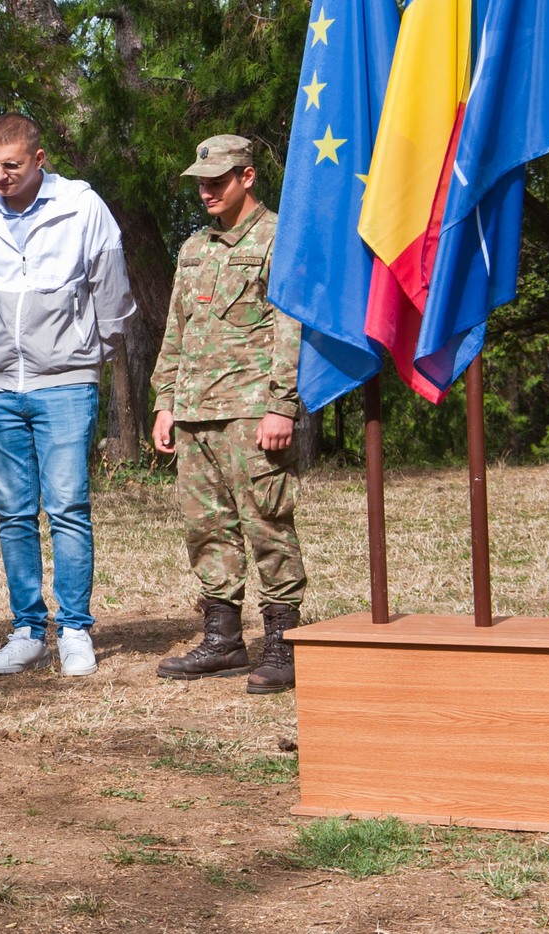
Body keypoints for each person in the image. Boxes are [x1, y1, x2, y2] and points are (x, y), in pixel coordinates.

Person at [0, 114, 133, 679]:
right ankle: (28, 631)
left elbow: (112, 292)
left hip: (65, 383)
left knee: (66, 508)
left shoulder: (82, 207)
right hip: (1, 388)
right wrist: (2, 356)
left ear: (39, 160)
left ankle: (75, 630)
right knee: (13, 514)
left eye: (11, 165)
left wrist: (85, 354)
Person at [151, 135, 306, 694]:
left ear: (248, 177)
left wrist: (281, 405)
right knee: (206, 528)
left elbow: (292, 329)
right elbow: (176, 329)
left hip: (251, 413)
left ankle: (284, 644)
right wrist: (165, 401)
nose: (207, 191)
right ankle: (223, 640)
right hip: (195, 413)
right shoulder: (195, 248)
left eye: (218, 180)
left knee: (267, 522)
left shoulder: (277, 239)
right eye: (202, 181)